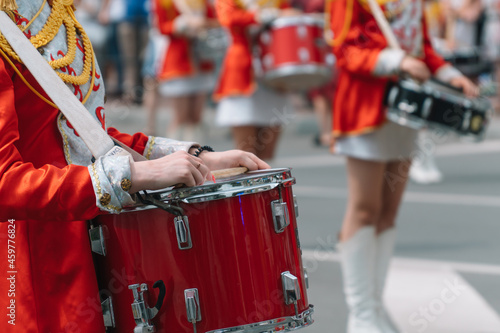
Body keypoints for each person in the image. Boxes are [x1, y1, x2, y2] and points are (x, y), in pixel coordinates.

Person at [0, 1, 269, 332]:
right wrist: (133, 174)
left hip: (94, 246)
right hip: (31, 269)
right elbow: (5, 184)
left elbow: (86, 134)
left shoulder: (52, 11)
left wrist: (191, 156)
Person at [326, 0, 478, 331]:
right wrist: (398, 61)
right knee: (365, 208)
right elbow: (344, 50)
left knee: (388, 212)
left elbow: (422, 48)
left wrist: (451, 76)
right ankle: (361, 313)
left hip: (407, 112)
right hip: (365, 108)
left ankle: (375, 307)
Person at [213, 0, 298, 161]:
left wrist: (289, 14)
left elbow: (285, 11)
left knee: (267, 153)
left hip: (274, 69)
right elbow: (228, 18)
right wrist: (260, 16)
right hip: (243, 71)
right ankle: (249, 185)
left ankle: (266, 186)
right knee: (246, 153)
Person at [149, 0, 218, 141]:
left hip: (201, 59)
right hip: (179, 61)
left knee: (196, 117)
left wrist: (202, 23)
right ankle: (176, 152)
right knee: (180, 117)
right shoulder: (163, 2)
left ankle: (197, 152)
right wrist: (180, 25)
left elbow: (216, 20)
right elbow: (162, 28)